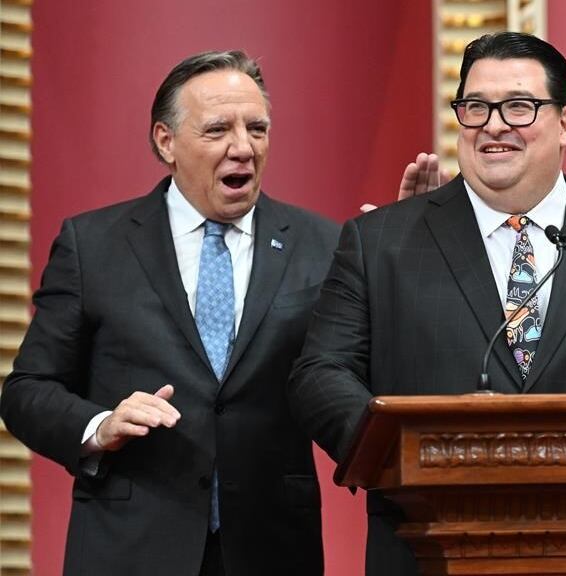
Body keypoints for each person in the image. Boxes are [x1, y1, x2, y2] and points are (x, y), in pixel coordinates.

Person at [288, 32, 566, 575]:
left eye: (519, 107)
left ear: (565, 123)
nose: (494, 125)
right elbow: (321, 373)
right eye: (476, 107)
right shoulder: (380, 241)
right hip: (427, 546)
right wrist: (393, 453)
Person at [0, 50, 339, 575]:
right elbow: (27, 391)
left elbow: (362, 380)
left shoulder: (324, 244)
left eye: (257, 128)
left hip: (272, 548)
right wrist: (100, 425)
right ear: (166, 141)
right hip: (132, 546)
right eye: (218, 130)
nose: (243, 148)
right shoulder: (93, 245)